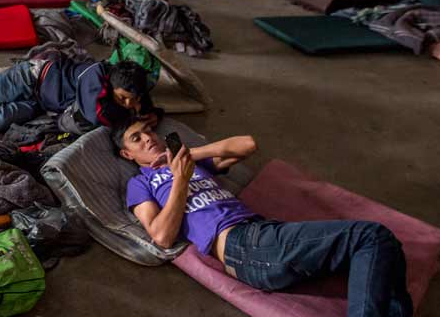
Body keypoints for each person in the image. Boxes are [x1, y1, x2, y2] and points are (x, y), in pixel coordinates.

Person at [114, 121, 413, 317]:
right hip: (244, 246)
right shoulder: (140, 184)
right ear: (127, 154)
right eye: (136, 138)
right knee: (371, 237)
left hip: (264, 233)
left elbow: (247, 144)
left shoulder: (191, 162)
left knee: (383, 250)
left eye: (149, 131)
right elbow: (162, 236)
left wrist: (187, 155)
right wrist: (179, 179)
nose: (148, 138)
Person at [0, 59, 160, 132]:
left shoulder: (129, 91)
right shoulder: (94, 75)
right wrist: (132, 116)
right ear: (110, 83)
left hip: (41, 103)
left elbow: (140, 101)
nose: (127, 104)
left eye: (133, 100)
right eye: (122, 98)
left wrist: (151, 112)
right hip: (30, 77)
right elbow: (95, 116)